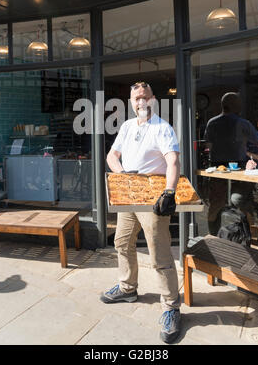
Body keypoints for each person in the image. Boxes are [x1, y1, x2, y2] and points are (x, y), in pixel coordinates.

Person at [100, 81, 181, 344]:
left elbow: (172, 160)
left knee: (159, 252)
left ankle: (171, 307)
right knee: (121, 241)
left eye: (144, 97)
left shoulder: (162, 127)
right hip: (129, 194)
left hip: (154, 195)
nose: (140, 102)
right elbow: (112, 156)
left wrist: (169, 191)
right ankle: (127, 288)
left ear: (153, 99)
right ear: (131, 102)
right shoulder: (125, 126)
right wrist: (122, 176)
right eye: (136, 98)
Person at [204, 92, 258, 235]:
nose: (241, 105)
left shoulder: (212, 122)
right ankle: (250, 235)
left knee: (216, 203)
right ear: (234, 105)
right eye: (239, 103)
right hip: (239, 166)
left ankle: (213, 236)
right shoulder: (243, 123)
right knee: (241, 200)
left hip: (217, 167)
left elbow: (208, 146)